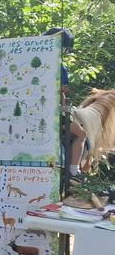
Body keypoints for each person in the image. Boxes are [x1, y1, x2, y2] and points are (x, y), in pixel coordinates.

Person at [47, 28, 86, 178]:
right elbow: (62, 92)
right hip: (54, 114)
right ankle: (74, 171)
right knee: (82, 134)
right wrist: (68, 109)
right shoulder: (60, 67)